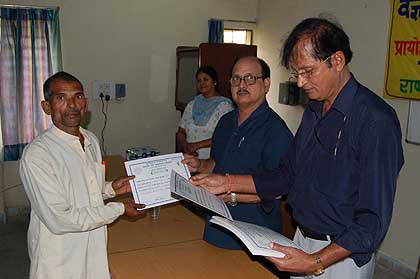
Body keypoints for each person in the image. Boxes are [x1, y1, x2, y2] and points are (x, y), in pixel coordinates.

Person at [189, 18, 404, 279]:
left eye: (308, 72)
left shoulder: (375, 120)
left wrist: (316, 261)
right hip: (302, 241)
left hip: (340, 256)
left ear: (336, 61)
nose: (300, 83)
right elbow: (288, 174)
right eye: (296, 73)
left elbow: (372, 221)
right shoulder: (315, 108)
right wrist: (226, 183)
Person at [20, 71, 146, 279]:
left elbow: (84, 188)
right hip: (60, 257)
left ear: (85, 103)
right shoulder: (37, 155)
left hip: (94, 244)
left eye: (77, 97)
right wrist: (120, 208)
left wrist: (111, 189)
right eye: (61, 97)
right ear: (46, 106)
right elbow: (59, 218)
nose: (72, 105)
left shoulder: (90, 140)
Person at [183, 56, 293, 250]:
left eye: (250, 78)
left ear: (266, 84)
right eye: (236, 79)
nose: (241, 84)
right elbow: (217, 162)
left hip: (254, 233)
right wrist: (199, 165)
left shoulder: (276, 131)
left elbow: (277, 191)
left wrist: (231, 195)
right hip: (217, 226)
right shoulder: (226, 121)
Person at [177, 66, 234, 159]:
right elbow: (180, 132)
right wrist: (186, 147)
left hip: (213, 161)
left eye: (205, 79)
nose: (202, 83)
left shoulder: (225, 106)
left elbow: (225, 137)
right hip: (190, 158)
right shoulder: (192, 104)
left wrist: (196, 145)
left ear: (215, 82)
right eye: (199, 80)